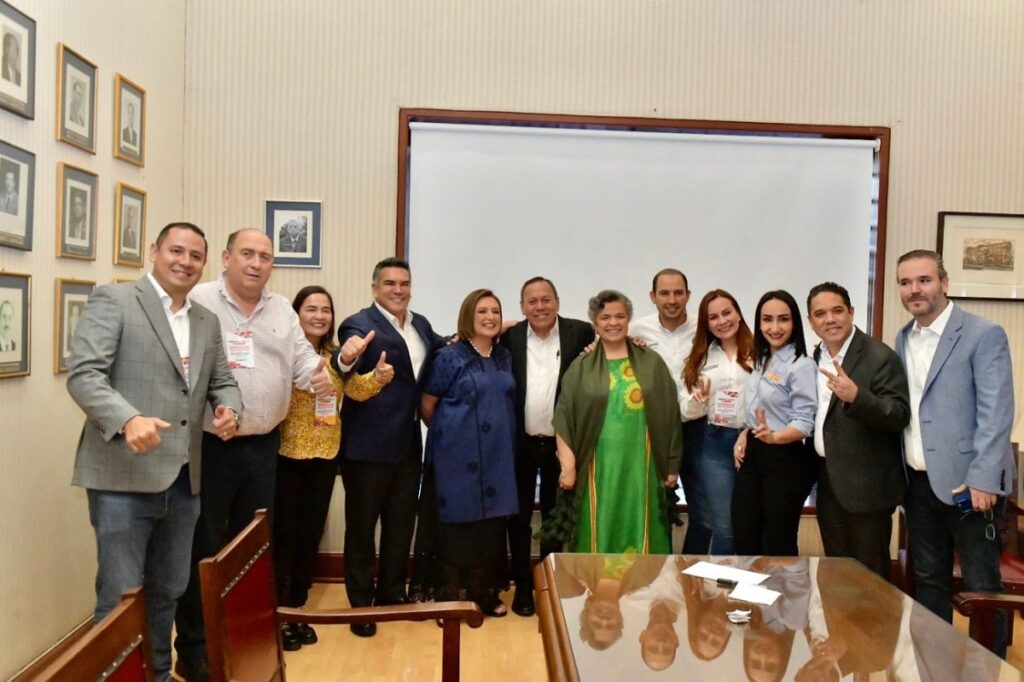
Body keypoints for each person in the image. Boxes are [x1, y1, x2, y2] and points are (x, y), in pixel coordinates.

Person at [65, 222, 242, 682]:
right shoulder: (116, 300)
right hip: (123, 478)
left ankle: (158, 675)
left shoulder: (206, 320)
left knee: (168, 590)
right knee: (121, 598)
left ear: (205, 263)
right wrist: (127, 419)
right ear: (153, 251)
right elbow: (85, 374)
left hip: (185, 482)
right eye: (176, 251)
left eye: (195, 255)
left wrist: (228, 409)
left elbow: (222, 381)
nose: (185, 262)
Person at [174, 228, 341, 680]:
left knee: (252, 550)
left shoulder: (281, 308)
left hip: (264, 447)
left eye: (265, 256)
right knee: (204, 549)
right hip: (211, 446)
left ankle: (246, 638)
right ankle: (195, 648)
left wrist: (321, 376)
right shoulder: (200, 300)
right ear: (225, 258)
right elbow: (180, 366)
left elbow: (304, 360)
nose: (256, 263)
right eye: (247, 254)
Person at [895, 249, 1015, 656]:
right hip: (920, 485)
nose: (915, 290)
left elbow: (997, 413)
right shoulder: (903, 337)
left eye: (924, 280)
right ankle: (936, 663)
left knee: (982, 583)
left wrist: (984, 478)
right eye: (906, 282)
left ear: (944, 282)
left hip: (969, 488)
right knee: (929, 578)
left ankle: (993, 666)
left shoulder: (983, 334)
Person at [274, 285, 394, 651]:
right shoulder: (286, 354)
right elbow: (315, 380)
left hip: (325, 458)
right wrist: (341, 365)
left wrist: (377, 378)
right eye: (311, 308)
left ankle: (298, 609)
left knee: (309, 539)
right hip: (286, 456)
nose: (319, 316)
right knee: (283, 540)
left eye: (326, 309)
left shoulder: (334, 354)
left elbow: (351, 390)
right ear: (296, 314)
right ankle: (278, 617)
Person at [333, 257, 443, 637]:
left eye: (405, 283)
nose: (398, 290)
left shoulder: (420, 324)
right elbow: (345, 356)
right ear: (375, 287)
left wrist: (498, 330)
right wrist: (347, 357)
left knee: (399, 526)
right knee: (362, 530)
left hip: (409, 445)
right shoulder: (360, 324)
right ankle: (361, 606)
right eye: (390, 283)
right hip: (366, 449)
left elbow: (445, 348)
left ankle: (392, 594)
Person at [553, 289, 681, 554]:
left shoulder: (651, 362)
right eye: (605, 317)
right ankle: (597, 590)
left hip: (643, 466)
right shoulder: (581, 366)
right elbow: (565, 417)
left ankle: (643, 591)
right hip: (596, 467)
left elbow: (670, 414)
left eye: (620, 316)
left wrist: (672, 465)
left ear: (628, 319)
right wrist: (568, 467)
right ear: (595, 323)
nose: (613, 323)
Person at [499, 276, 594, 616]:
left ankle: (549, 587)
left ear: (557, 301)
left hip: (561, 445)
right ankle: (523, 588)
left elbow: (611, 348)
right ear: (522, 306)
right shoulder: (508, 336)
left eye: (545, 300)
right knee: (518, 519)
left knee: (556, 520)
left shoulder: (581, 333)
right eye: (532, 301)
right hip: (520, 444)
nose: (539, 307)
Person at [420, 289, 517, 616]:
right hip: (456, 457)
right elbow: (428, 405)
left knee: (488, 529)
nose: (490, 317)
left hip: (497, 456)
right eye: (482, 312)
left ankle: (483, 593)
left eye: (495, 311)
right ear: (468, 317)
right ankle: (450, 597)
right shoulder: (450, 356)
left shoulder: (504, 356)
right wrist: (456, 434)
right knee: (457, 528)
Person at [806, 281, 910, 579]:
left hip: (867, 487)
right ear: (812, 322)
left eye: (837, 311)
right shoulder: (815, 357)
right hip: (828, 482)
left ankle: (876, 629)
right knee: (837, 575)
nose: (830, 319)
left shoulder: (879, 356)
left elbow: (898, 415)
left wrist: (857, 397)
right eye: (821, 314)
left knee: (870, 578)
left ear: (851, 313)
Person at [732, 290, 817, 556]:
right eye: (767, 320)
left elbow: (805, 421)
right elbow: (759, 410)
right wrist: (746, 432)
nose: (775, 327)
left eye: (783, 319)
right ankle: (748, 599)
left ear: (795, 323)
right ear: (758, 323)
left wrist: (775, 437)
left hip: (786, 458)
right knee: (745, 535)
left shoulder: (801, 364)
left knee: (779, 543)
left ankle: (785, 598)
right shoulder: (761, 359)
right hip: (755, 454)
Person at [629, 268, 704, 552]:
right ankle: (655, 577)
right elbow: (605, 352)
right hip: (652, 433)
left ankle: (689, 576)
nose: (672, 300)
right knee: (654, 510)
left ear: (688, 295)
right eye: (664, 293)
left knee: (704, 511)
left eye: (678, 293)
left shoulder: (705, 328)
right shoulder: (636, 331)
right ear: (652, 297)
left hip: (698, 429)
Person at [680, 289, 755, 554]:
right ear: (706, 324)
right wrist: (698, 400)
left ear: (738, 313)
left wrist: (749, 430)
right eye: (713, 317)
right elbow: (684, 410)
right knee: (725, 525)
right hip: (715, 444)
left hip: (755, 442)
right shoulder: (700, 358)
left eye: (727, 312)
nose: (722, 321)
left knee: (754, 521)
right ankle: (721, 591)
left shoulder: (760, 350)